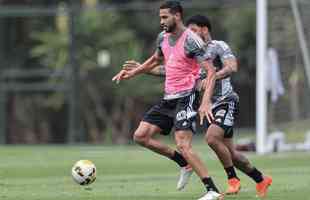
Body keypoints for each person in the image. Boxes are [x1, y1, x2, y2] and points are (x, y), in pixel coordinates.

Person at [123, 14, 273, 198]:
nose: (189, 34)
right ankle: (261, 179)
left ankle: (232, 180)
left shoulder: (218, 46)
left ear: (204, 30)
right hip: (204, 103)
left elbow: (232, 67)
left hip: (225, 100)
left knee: (211, 138)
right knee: (232, 154)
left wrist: (213, 77)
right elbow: (167, 70)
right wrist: (142, 68)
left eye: (193, 30)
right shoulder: (192, 51)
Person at [112, 2, 223, 200]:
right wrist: (134, 72)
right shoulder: (162, 37)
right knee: (141, 136)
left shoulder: (192, 41)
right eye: (160, 17)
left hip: (187, 96)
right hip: (169, 97)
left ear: (177, 16)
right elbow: (155, 59)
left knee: (182, 143)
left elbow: (211, 72)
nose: (161, 21)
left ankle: (213, 191)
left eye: (165, 17)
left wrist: (205, 102)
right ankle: (183, 163)